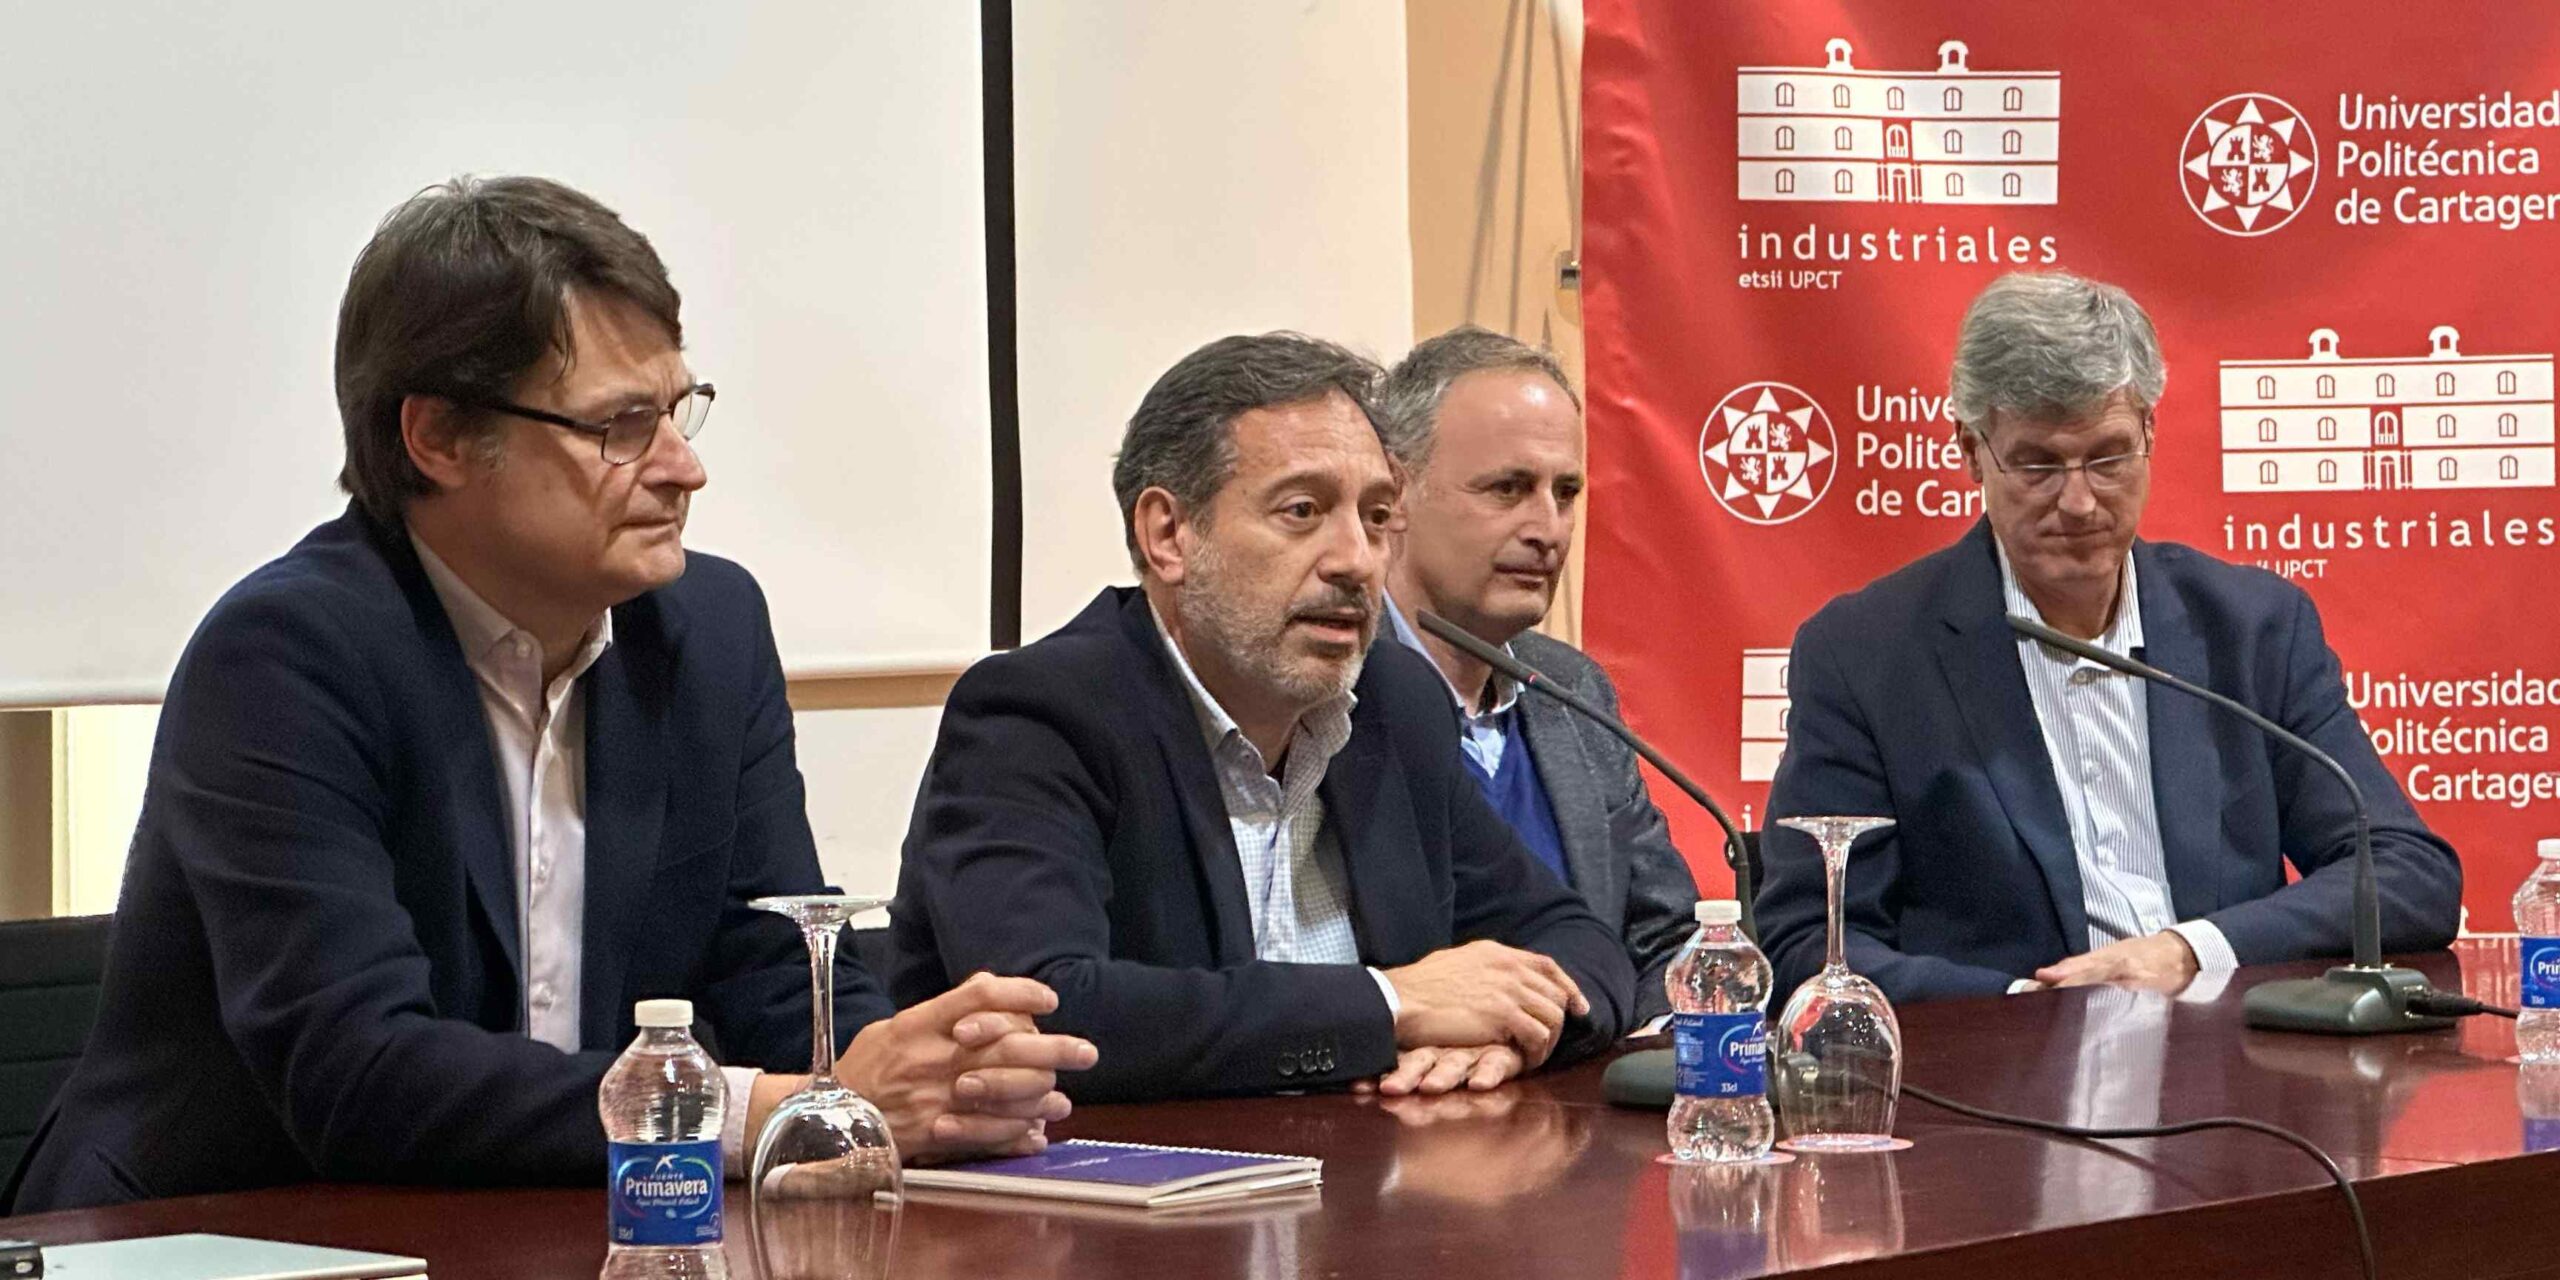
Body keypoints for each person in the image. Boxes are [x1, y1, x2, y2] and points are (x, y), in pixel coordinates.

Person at [7, 177, 1092, 1213]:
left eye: (680, 411)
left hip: (566, 1216)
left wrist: (929, 1081)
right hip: (231, 1229)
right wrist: (775, 1112)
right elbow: (356, 1070)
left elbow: (772, 973)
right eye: (621, 426)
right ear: (438, 437)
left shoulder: (708, 633)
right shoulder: (285, 657)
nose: (683, 468)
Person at [888, 332, 1635, 1101]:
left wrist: (1507, 1033)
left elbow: (1584, 947)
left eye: (1377, 516)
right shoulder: (1041, 715)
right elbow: (1048, 1014)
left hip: (1379, 1168)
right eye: (1303, 511)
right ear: (1169, 535)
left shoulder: (1393, 703)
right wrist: (1393, 1003)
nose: (1356, 560)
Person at [1759, 271, 2461, 1005]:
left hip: (2228, 1056)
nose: (2079, 500)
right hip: (1999, 1058)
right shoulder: (1866, 655)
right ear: (1971, 451)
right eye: (2037, 464)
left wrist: (2191, 950)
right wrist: (2032, 1006)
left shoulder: (2253, 628)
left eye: (2108, 456)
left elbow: (2408, 873)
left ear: (2149, 433)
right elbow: (1809, 940)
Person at [1374, 326, 1700, 1024]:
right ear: (1395, 493)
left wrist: (1652, 1040)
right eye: (1508, 488)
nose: (1548, 528)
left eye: (1566, 492)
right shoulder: (1329, 692)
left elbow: (1666, 937)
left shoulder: (1573, 689)